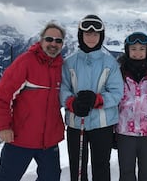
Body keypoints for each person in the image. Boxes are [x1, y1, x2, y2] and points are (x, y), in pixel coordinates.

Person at [0, 22, 66, 181]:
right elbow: (1, 97)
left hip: (49, 140)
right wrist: (4, 127)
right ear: (41, 40)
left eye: (58, 41)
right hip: (20, 138)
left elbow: (67, 95)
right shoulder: (26, 62)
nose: (53, 43)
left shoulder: (62, 67)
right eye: (49, 39)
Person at [60, 14, 123, 181]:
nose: (91, 37)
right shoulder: (70, 63)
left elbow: (117, 93)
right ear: (81, 35)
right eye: (87, 34)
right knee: (77, 165)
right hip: (76, 122)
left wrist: (98, 100)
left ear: (101, 37)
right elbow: (62, 89)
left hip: (102, 124)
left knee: (101, 165)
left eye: (95, 34)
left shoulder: (110, 63)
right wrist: (71, 102)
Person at [116, 32, 147, 181]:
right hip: (124, 132)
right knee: (126, 174)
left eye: (142, 49)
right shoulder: (119, 73)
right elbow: (114, 101)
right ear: (127, 50)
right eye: (133, 48)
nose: (137, 52)